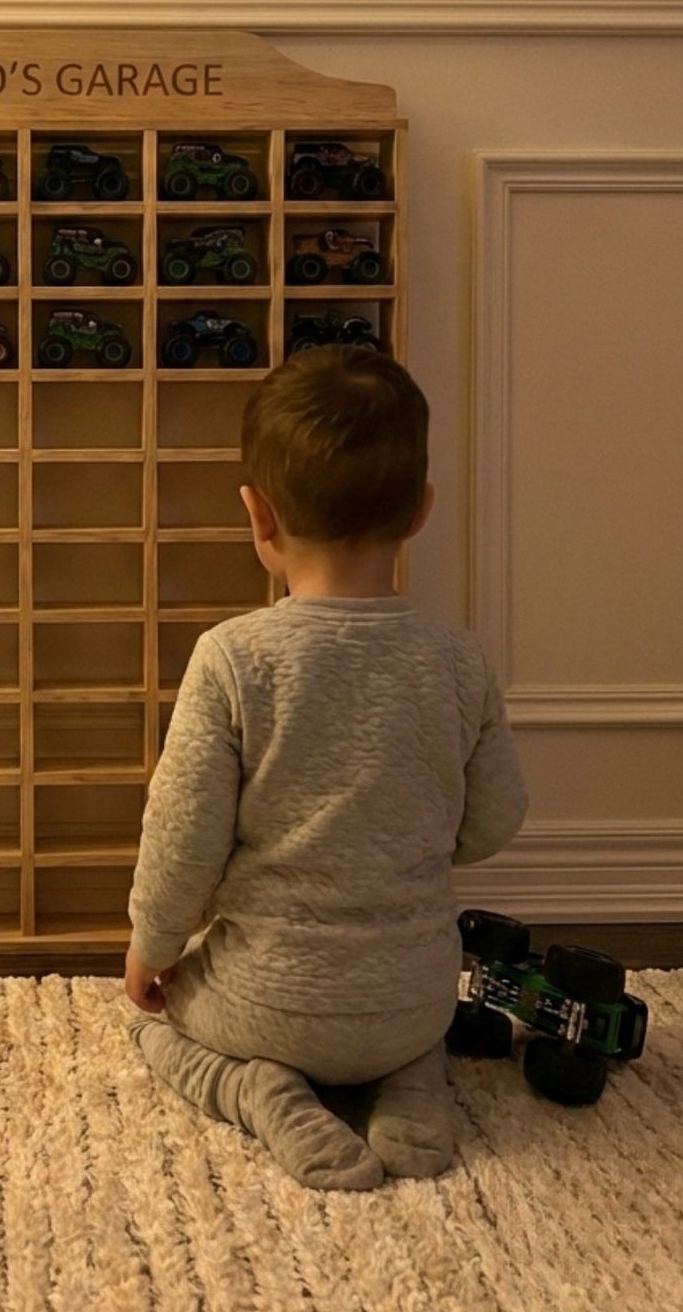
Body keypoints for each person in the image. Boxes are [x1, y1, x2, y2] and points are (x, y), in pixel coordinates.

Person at [125, 346, 527, 1190]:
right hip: (413, 1001)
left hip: (265, 1002)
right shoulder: (458, 662)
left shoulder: (233, 659)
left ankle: (258, 1089)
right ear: (419, 511)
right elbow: (494, 821)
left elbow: (180, 842)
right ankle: (410, 1090)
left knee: (154, 1027)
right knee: (412, 1035)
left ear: (257, 514)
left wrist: (150, 948)